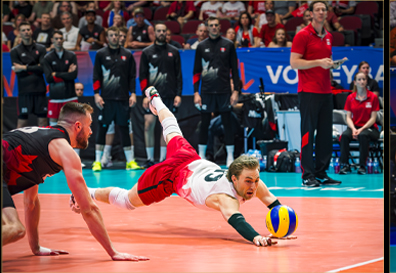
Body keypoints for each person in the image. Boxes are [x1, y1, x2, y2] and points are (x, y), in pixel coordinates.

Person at [82, 88, 294, 248]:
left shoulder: (252, 181)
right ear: (234, 179)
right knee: (128, 201)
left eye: (255, 180)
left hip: (189, 158)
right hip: (170, 176)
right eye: (249, 181)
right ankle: (86, 193)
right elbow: (238, 222)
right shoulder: (225, 198)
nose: (253, 185)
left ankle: (156, 99)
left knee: (171, 126)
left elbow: (274, 204)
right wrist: (258, 237)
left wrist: (282, 226)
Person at [2, 102, 148, 260]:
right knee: (14, 228)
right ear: (78, 126)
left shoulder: (39, 140)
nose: (91, 132)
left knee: (15, 226)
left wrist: (36, 247)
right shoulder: (64, 150)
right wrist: (114, 252)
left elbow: (30, 202)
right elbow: (89, 209)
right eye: (89, 125)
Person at [290, 1, 346, 188]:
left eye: (324, 9)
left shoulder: (329, 36)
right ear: (311, 14)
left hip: (325, 91)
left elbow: (323, 62)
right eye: (318, 10)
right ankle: (308, 175)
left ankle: (321, 172)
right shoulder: (302, 35)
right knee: (308, 133)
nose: (321, 12)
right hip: (308, 92)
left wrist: (330, 65)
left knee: (324, 134)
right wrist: (318, 62)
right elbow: (295, 63)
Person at [193, 18, 244, 169]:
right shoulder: (201, 46)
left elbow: (235, 70)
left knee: (227, 123)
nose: (214, 27)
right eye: (211, 26)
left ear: (220, 27)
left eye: (216, 25)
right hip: (207, 92)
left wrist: (235, 91)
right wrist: (196, 92)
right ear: (207, 28)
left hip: (224, 92)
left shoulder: (228, 45)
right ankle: (201, 157)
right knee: (204, 124)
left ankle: (230, 157)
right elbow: (196, 71)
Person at [92, 26, 144, 172]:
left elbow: (132, 76)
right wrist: (96, 94)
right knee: (102, 129)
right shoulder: (100, 54)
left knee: (124, 129)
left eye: (117, 35)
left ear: (121, 37)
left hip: (122, 99)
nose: (115, 37)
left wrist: (133, 93)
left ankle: (130, 161)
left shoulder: (127, 54)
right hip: (106, 100)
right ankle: (97, 161)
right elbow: (96, 76)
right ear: (107, 38)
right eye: (112, 35)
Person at [140, 22, 183, 163]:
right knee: (148, 125)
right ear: (154, 33)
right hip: (152, 96)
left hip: (169, 94)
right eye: (159, 31)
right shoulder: (147, 52)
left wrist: (178, 94)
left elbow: (178, 75)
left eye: (164, 31)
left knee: (166, 127)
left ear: (167, 33)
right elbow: (142, 76)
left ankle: (164, 159)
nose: (161, 33)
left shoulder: (174, 51)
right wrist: (144, 95)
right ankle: (150, 158)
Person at [339, 73, 382, 175]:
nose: (362, 81)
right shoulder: (350, 98)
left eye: (363, 79)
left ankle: (362, 166)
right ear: (355, 82)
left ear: (366, 81)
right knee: (344, 136)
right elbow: (348, 117)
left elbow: (373, 118)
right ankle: (345, 165)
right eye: (359, 79)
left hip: (370, 128)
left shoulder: (373, 97)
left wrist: (361, 129)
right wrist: (353, 129)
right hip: (355, 126)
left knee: (363, 135)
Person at [12, 24, 48, 130]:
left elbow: (43, 68)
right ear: (19, 33)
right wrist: (35, 66)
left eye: (28, 29)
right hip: (24, 91)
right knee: (22, 124)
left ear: (31, 32)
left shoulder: (41, 49)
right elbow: (17, 71)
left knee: (43, 122)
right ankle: (19, 147)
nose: (26, 32)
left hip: (39, 89)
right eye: (23, 30)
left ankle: (43, 146)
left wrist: (24, 67)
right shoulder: (15, 51)